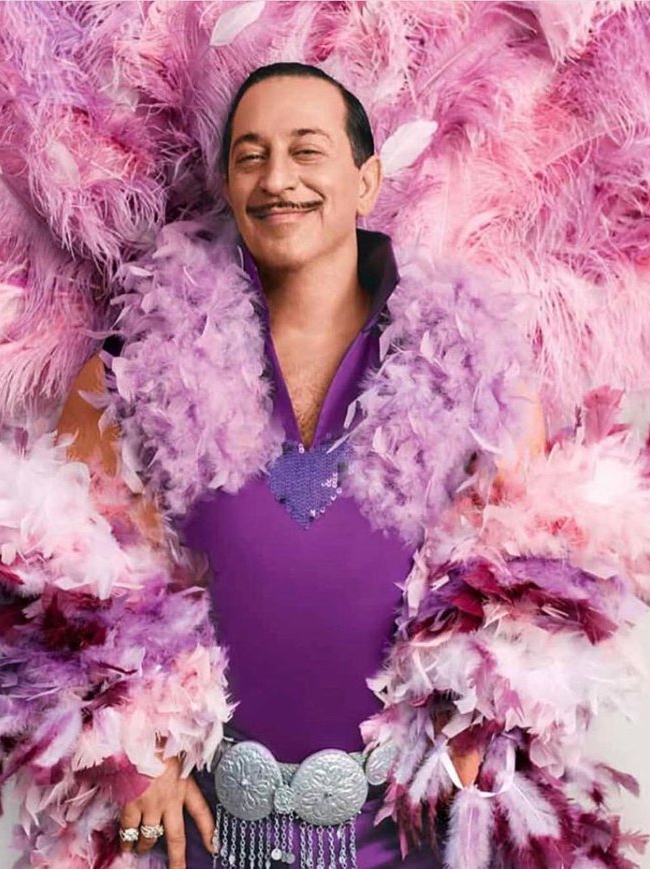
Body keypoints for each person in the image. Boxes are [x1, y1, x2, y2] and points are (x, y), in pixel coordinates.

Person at [57, 63, 530, 869]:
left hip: (415, 839)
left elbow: (541, 573)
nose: (277, 179)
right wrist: (128, 745)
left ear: (364, 180)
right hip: (199, 837)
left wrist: (489, 715)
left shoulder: (477, 368)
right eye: (250, 156)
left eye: (306, 150)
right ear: (228, 185)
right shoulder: (132, 365)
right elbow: (54, 569)